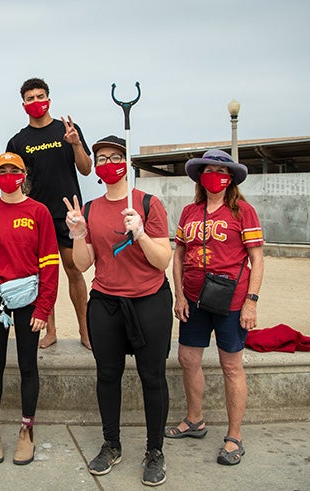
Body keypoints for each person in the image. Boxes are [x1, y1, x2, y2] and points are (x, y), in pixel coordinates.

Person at [65, 135, 173, 486]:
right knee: (107, 375)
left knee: (152, 377)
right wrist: (79, 234)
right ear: (95, 167)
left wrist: (140, 233)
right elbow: (82, 265)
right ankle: (111, 443)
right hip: (106, 302)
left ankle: (154, 450)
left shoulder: (147, 203)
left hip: (149, 300)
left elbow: (163, 261)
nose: (108, 162)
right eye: (101, 158)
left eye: (114, 156)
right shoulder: (93, 208)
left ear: (125, 162)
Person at [167, 149, 264, 467]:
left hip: (232, 302)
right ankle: (195, 420)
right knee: (187, 359)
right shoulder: (189, 212)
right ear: (200, 177)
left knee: (231, 367)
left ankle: (234, 436)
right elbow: (179, 254)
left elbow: (257, 259)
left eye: (221, 171)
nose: (215, 175)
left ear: (231, 178)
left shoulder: (242, 212)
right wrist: (179, 296)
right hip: (194, 300)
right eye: (208, 170)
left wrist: (251, 301)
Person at [0, 152, 59, 466]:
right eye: (1, 170)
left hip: (29, 299)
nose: (7, 174)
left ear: (23, 174)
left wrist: (44, 308)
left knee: (28, 365)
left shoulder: (39, 211)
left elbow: (49, 262)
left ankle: (26, 431)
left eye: (13, 170)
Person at [6, 77, 92, 349]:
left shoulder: (68, 130)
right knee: (43, 274)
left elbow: (87, 168)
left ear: (49, 100)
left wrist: (76, 144)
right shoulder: (19, 140)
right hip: (35, 215)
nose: (36, 102)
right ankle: (50, 330)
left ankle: (85, 331)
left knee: (74, 270)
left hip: (67, 213)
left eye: (40, 96)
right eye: (30, 98)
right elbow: (12, 180)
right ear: (23, 105)